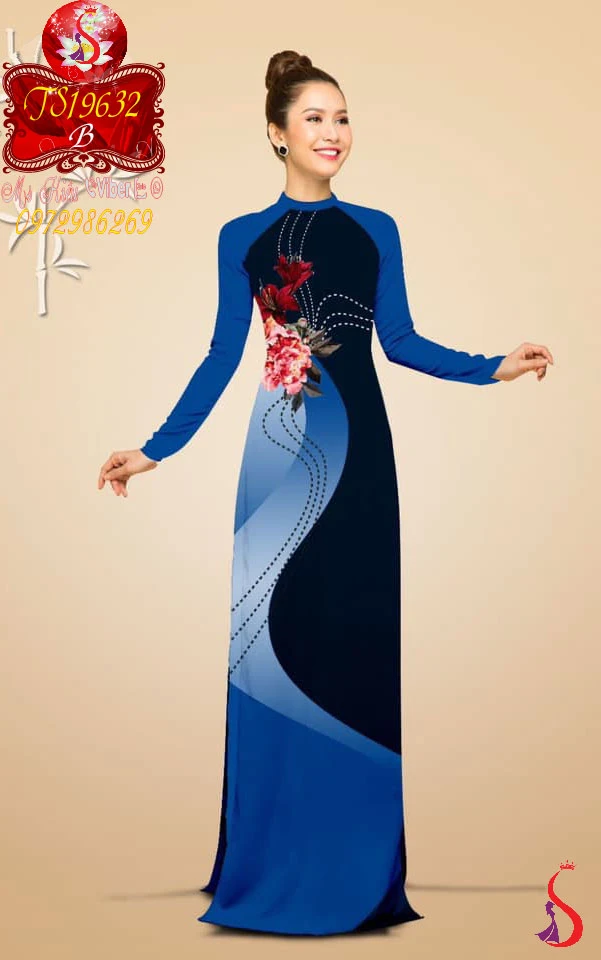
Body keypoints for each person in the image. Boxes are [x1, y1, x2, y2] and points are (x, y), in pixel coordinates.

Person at [97, 50, 553, 935]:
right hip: (277, 457)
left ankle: (354, 860)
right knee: (275, 647)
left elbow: (401, 342)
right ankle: (268, 853)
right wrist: (155, 449)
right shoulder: (241, 236)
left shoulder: (375, 227)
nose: (332, 132)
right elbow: (223, 354)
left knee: (354, 643)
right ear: (276, 133)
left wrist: (490, 366)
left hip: (359, 457)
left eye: (341, 117)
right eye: (314, 117)